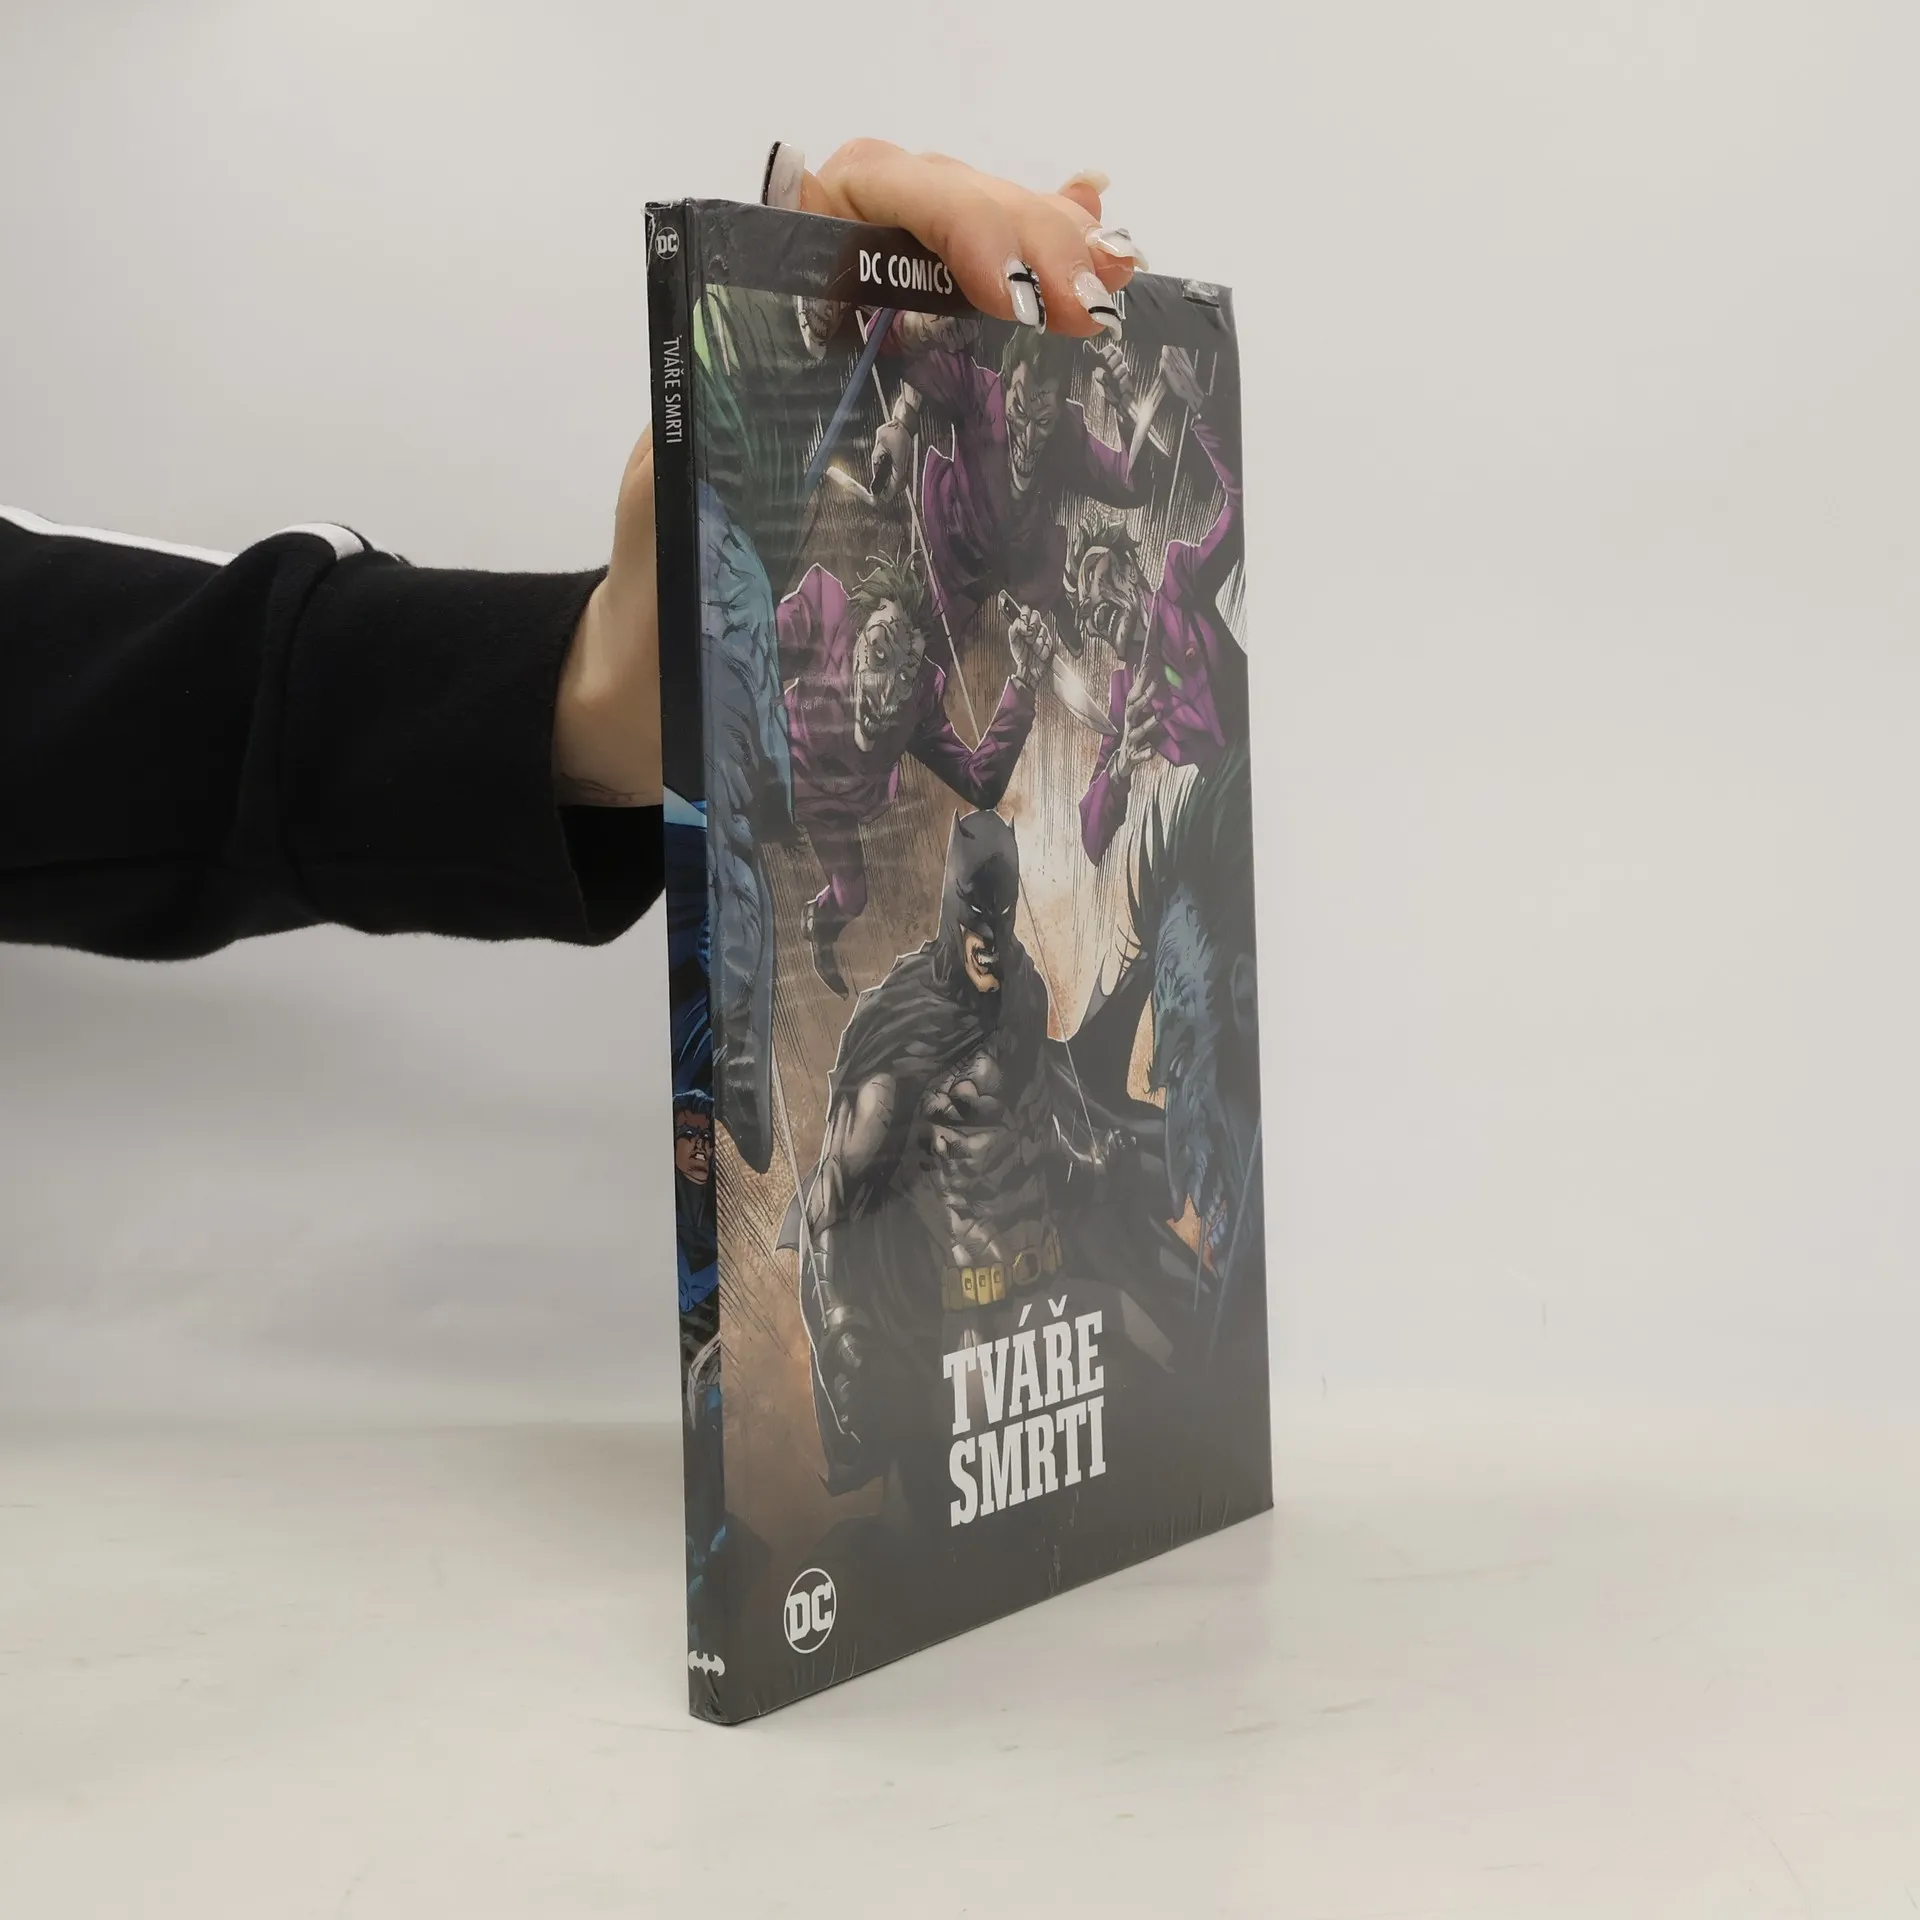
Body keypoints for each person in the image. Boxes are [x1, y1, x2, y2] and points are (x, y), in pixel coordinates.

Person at [0, 139, 1140, 961]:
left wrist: (588, 688)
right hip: (800, 788)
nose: (890, 666)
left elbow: (91, 684)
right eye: (888, 649)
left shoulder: (941, 628)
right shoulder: (843, 609)